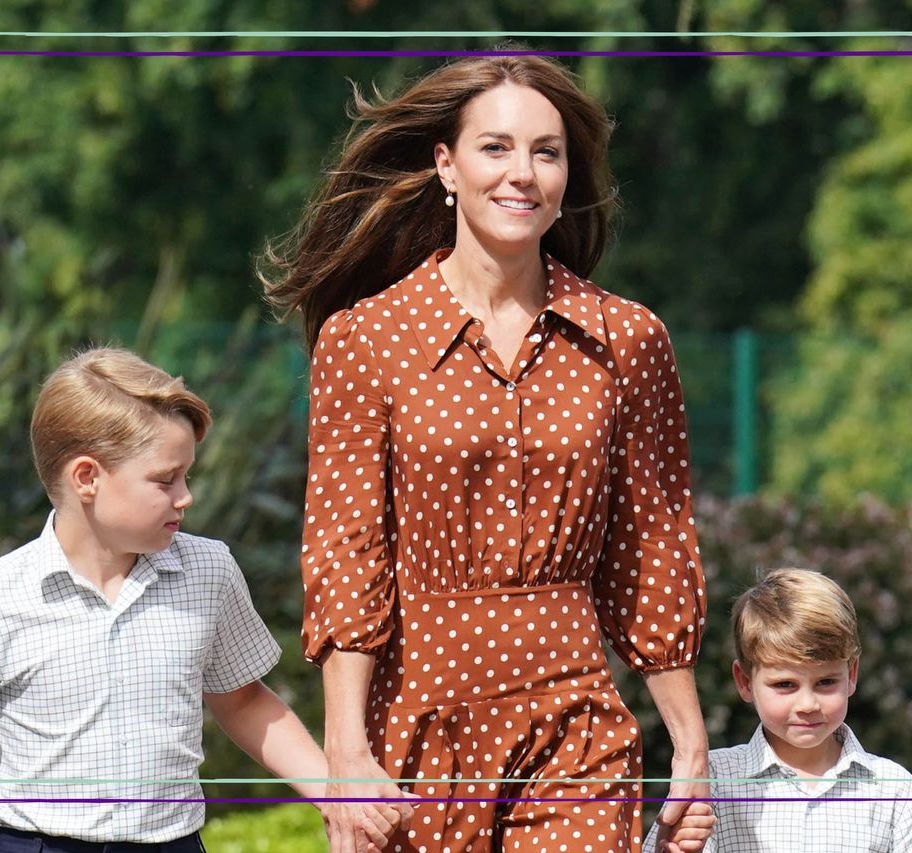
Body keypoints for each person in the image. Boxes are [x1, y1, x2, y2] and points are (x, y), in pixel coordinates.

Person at [261, 53, 712, 852]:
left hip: (578, 724)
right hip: (416, 724)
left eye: (547, 151)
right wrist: (345, 753)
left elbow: (651, 549)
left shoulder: (629, 340)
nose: (524, 173)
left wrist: (690, 745)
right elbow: (346, 550)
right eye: (495, 148)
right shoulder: (366, 340)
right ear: (447, 165)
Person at [0, 347, 409, 853]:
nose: (186, 496)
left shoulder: (208, 570)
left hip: (171, 845)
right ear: (87, 477)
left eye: (187, 475)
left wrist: (335, 793)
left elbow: (243, 701)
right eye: (165, 480)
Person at [645, 568, 912, 853]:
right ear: (744, 682)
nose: (808, 704)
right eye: (785, 685)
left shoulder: (892, 788)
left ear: (851, 675)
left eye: (825, 682)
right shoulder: (710, 778)